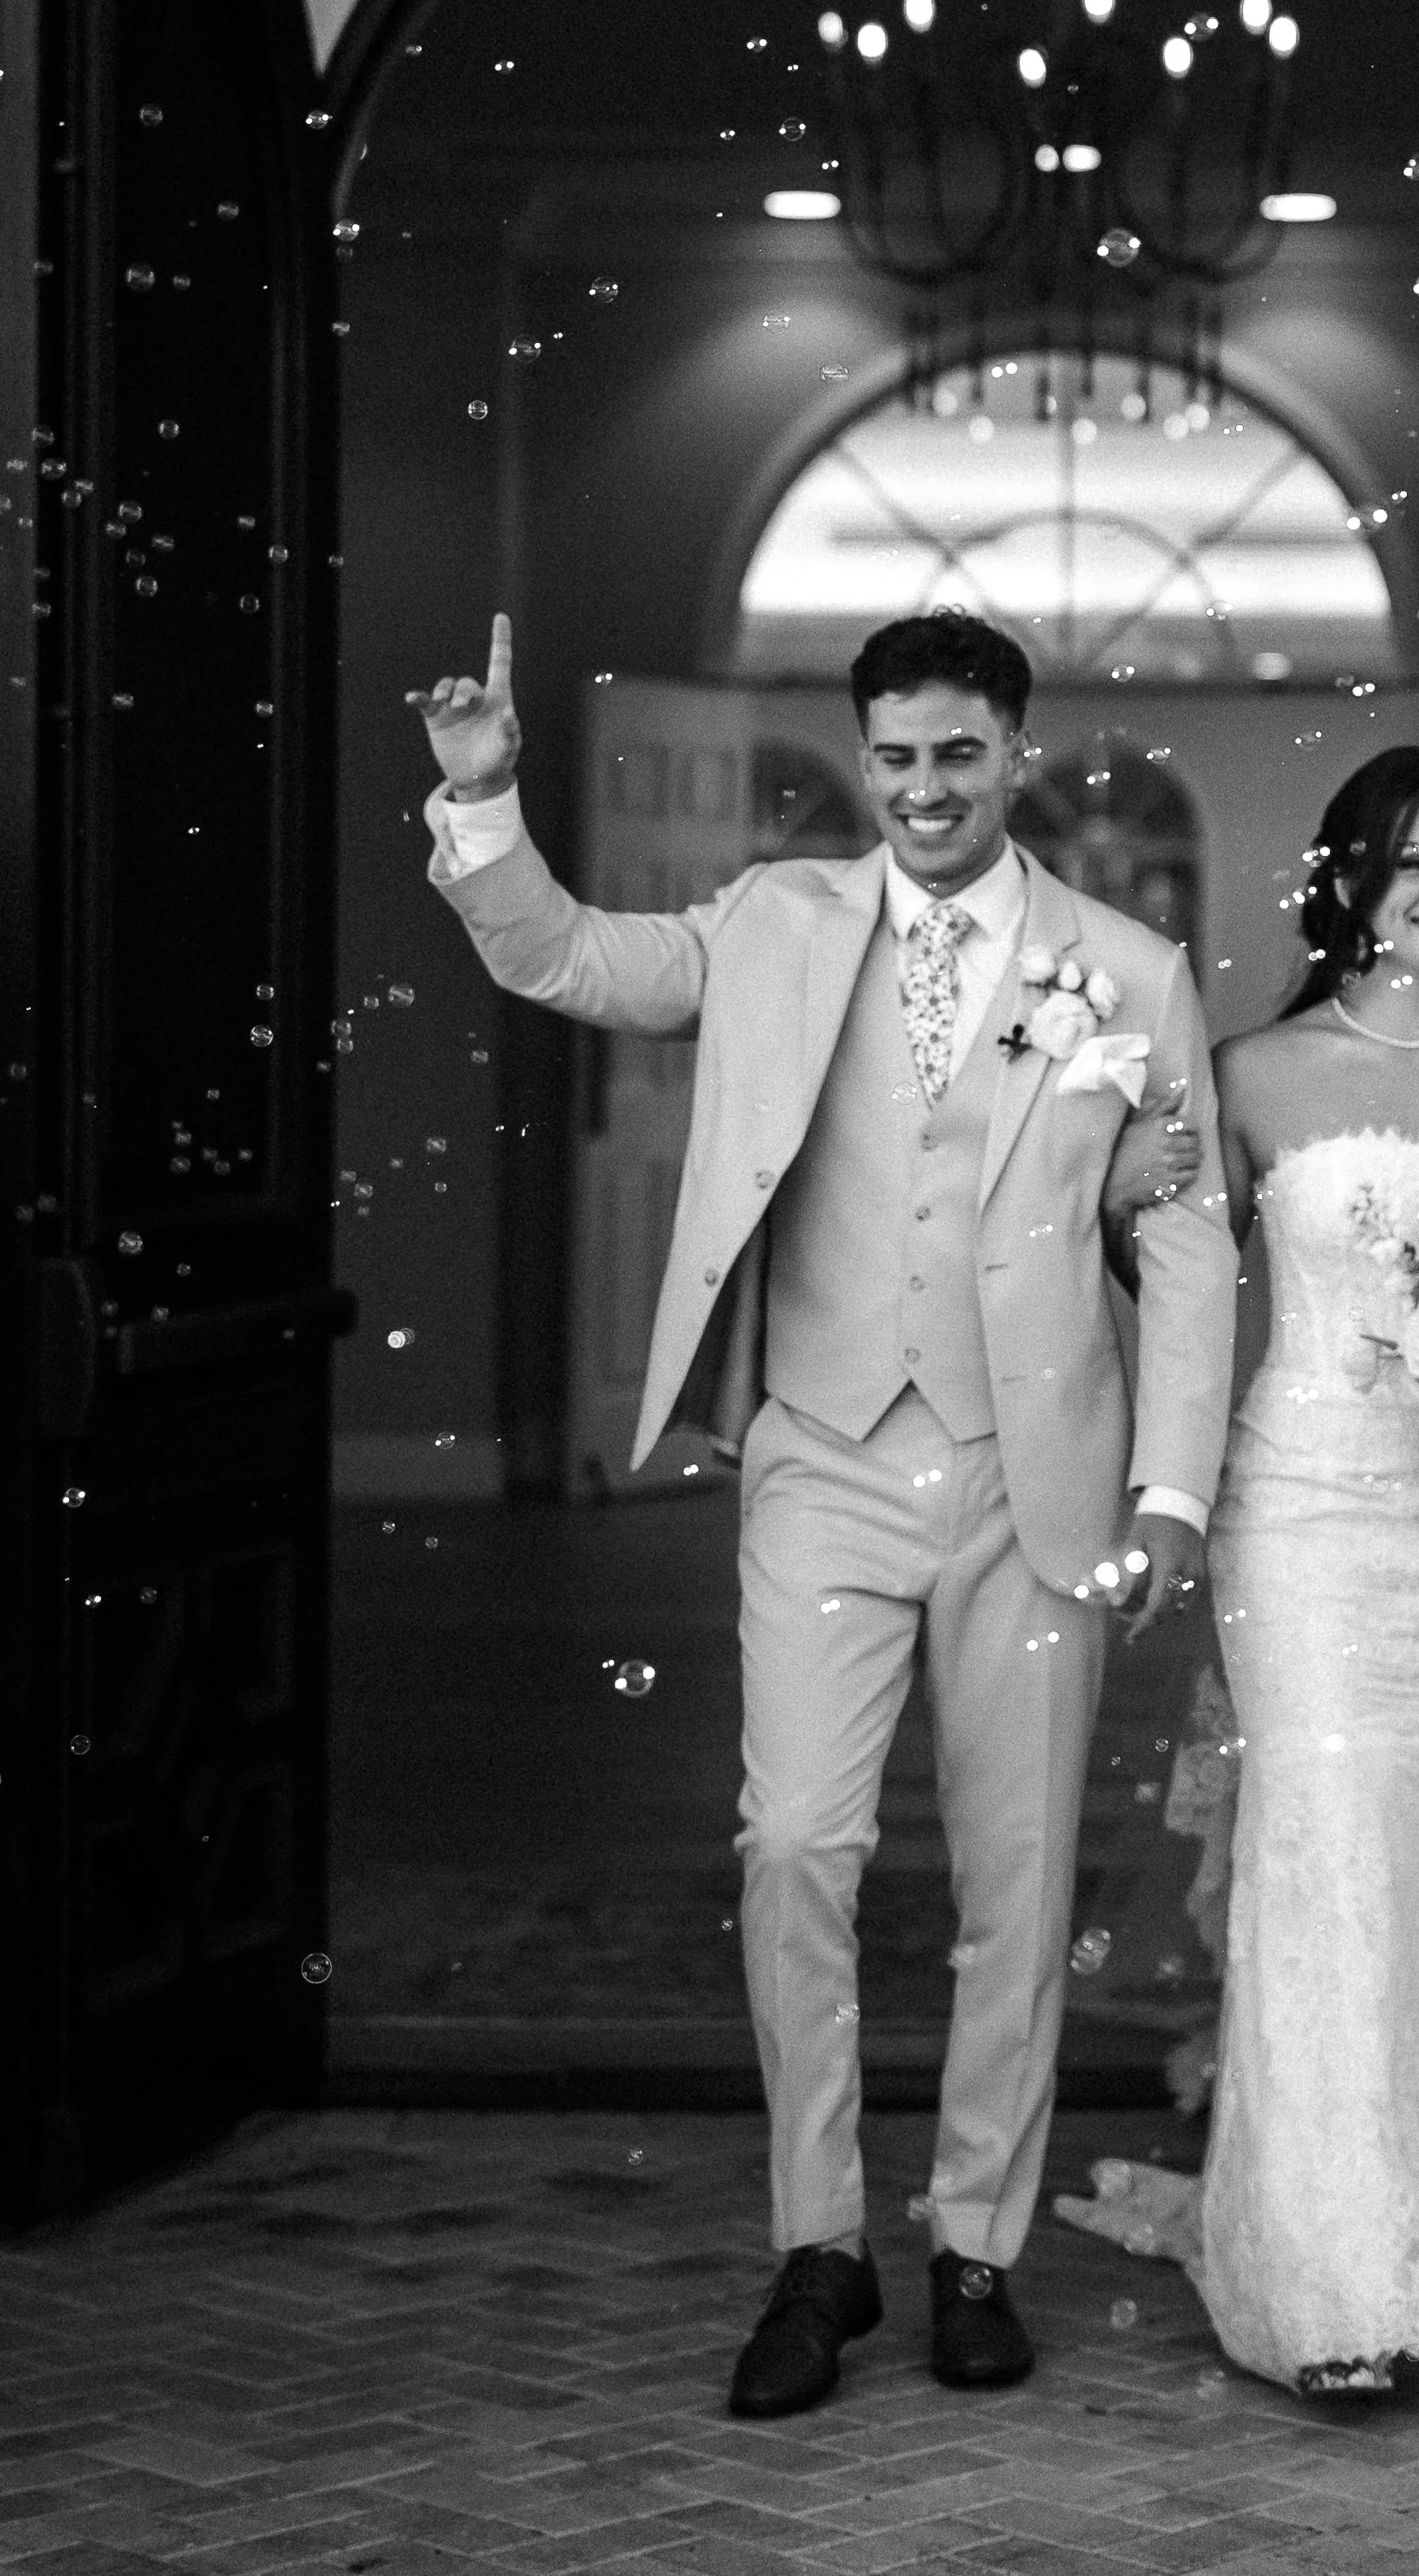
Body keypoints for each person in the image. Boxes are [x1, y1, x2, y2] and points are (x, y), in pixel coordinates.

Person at [408, 608, 1236, 2417]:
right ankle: (821, 2246)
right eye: (894, 754)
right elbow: (570, 960)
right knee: (796, 1843)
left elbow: (1182, 1234)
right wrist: (484, 801)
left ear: (1013, 750)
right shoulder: (775, 922)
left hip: (1040, 1474)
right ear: (862, 758)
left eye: (955, 752)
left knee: (1019, 1883)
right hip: (822, 1454)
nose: (922, 787)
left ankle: (975, 2246)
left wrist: (1174, 1484)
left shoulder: (1127, 970)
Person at [1063, 746, 1419, 2394]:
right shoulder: (1251, 1073)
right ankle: (1330, 2267)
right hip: (1310, 1515)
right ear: (1349, 887)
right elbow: (1158, 1263)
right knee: (1323, 1854)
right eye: (1411, 865)